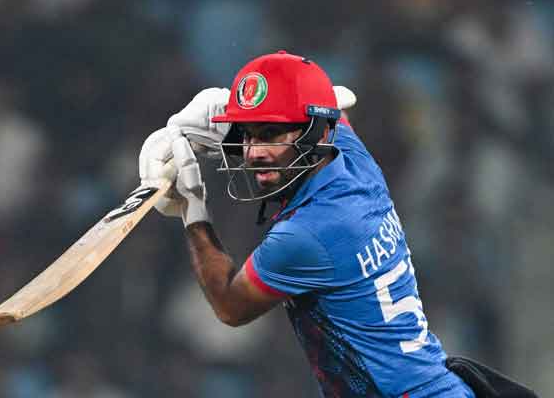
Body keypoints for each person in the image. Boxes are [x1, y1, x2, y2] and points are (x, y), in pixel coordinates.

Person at [139, 51, 528, 397]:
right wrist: (230, 105)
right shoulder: (353, 161)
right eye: (247, 134)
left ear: (314, 132)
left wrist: (192, 208)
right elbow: (336, 112)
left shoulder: (306, 235)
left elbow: (229, 305)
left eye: (271, 134)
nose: (254, 153)